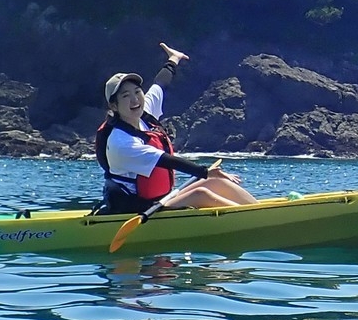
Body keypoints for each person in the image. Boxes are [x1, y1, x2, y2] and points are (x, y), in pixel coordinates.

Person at [96, 41, 257, 215]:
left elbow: (160, 83)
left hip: (158, 199)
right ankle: (257, 220)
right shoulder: (121, 142)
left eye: (137, 92)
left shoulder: (144, 114)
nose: (135, 99)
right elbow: (166, 160)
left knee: (218, 183)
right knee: (201, 193)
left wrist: (174, 59)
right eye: (126, 96)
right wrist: (204, 172)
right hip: (134, 208)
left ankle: (260, 211)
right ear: (114, 106)